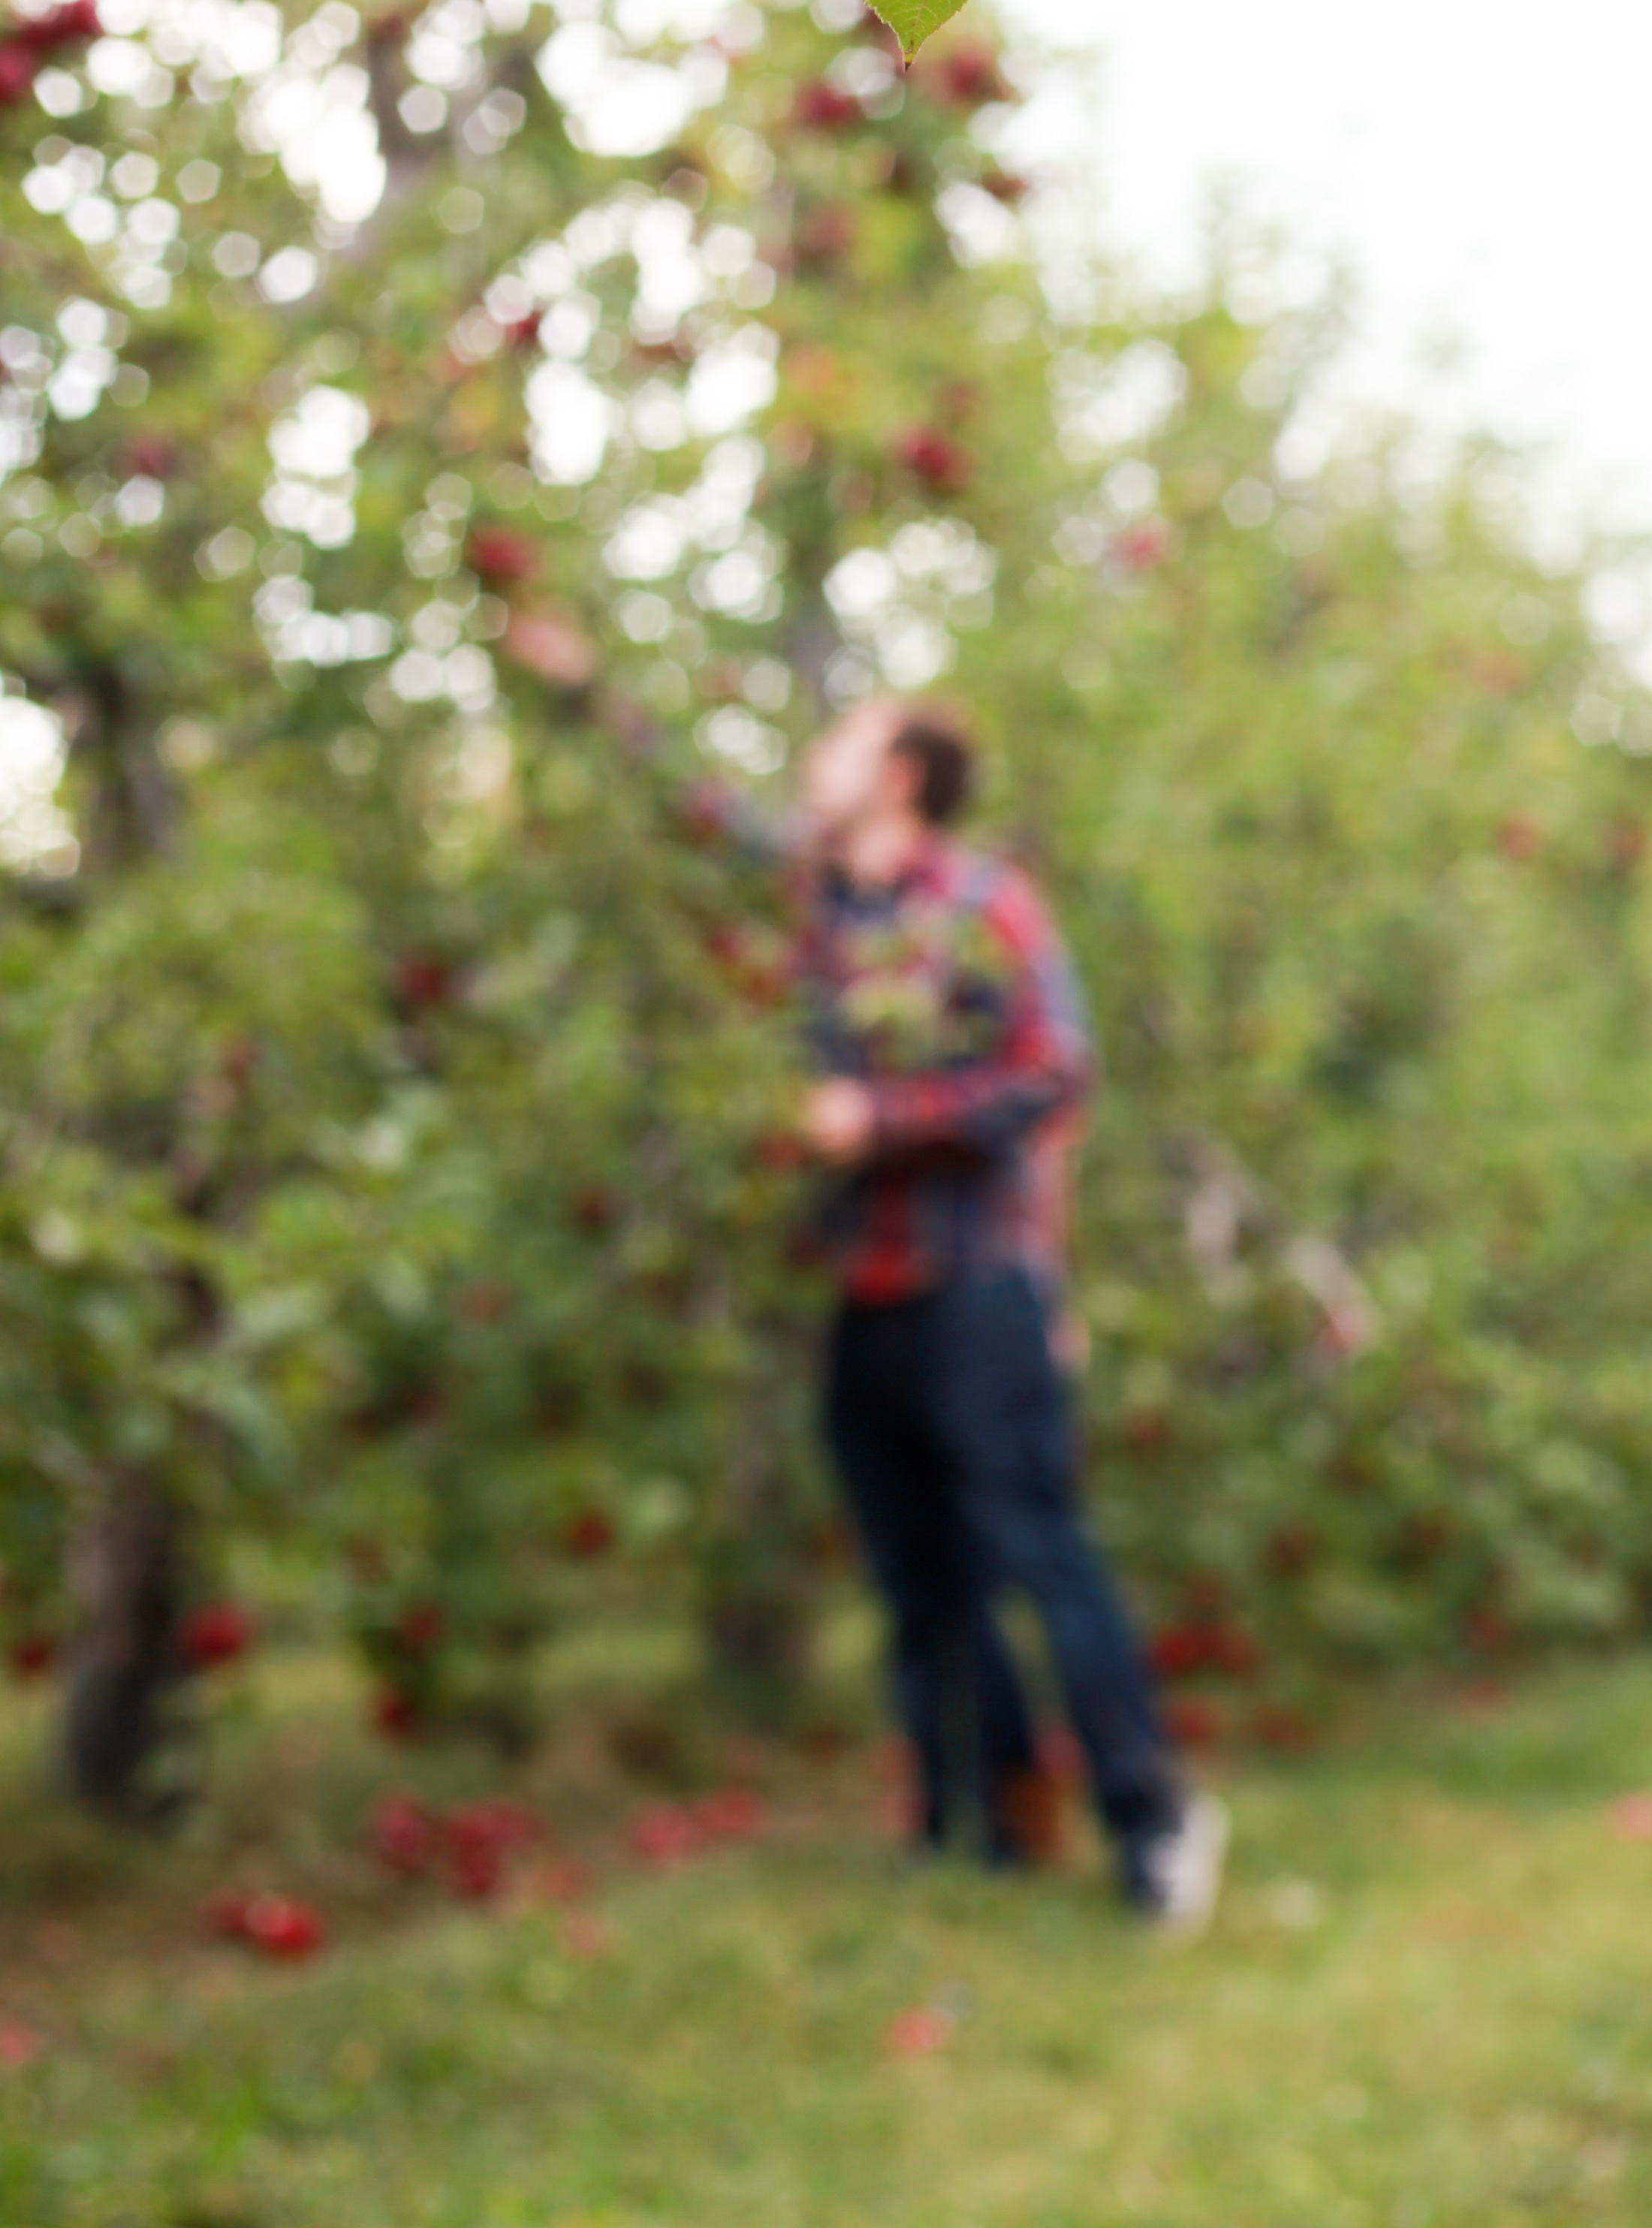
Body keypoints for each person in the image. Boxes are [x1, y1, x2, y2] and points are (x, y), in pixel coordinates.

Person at [507, 618, 1226, 1930]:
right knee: (918, 1583)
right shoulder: (815, 893)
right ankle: (975, 1828)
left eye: (841, 740)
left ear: (898, 769)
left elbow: (1056, 1073)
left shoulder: (983, 902)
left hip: (981, 1281)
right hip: (868, 1284)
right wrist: (581, 692)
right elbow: (693, 812)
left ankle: (1155, 1819)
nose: (814, 761)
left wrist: (882, 1122)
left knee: (1038, 1554)